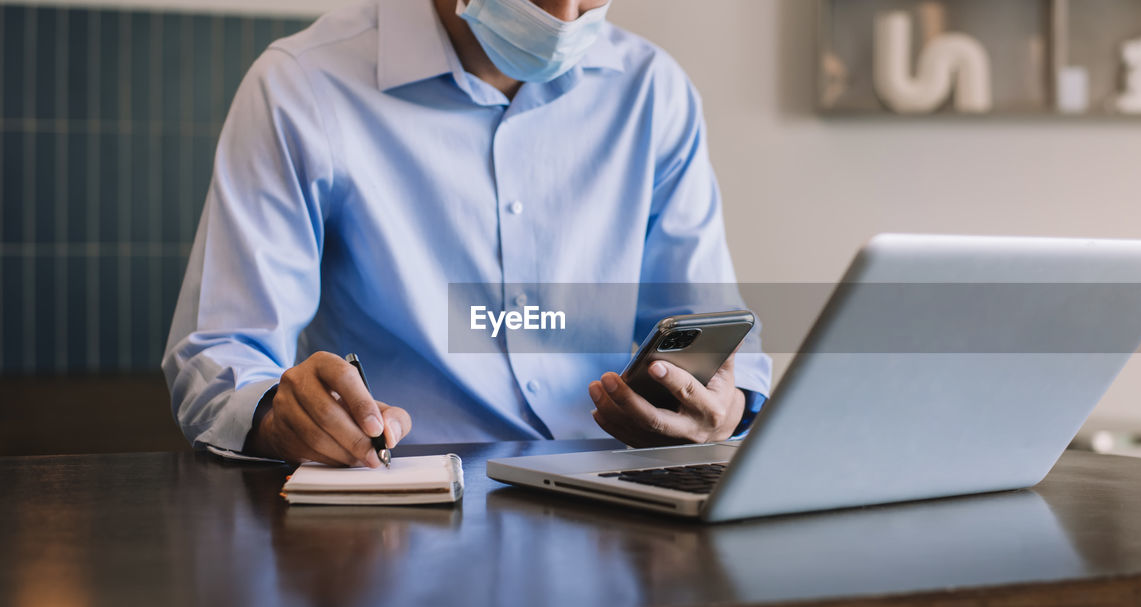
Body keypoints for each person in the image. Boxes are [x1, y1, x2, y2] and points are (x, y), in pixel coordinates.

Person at [163, 0, 772, 467]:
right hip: (405, 513)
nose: (562, 18)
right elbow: (222, 352)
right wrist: (278, 414)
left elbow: (709, 332)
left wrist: (727, 408)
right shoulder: (301, 86)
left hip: (622, 502)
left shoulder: (654, 93)